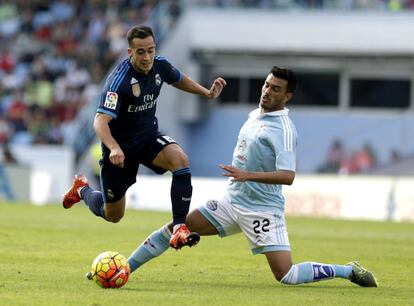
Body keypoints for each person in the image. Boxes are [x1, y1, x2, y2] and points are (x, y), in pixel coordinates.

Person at [123, 66, 378, 287]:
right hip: (231, 202)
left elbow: (288, 176)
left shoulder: (285, 131)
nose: (267, 91)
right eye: (267, 85)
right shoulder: (255, 114)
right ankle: (123, 269)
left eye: (276, 89)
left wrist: (247, 175)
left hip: (262, 210)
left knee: (286, 274)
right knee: (176, 228)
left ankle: (348, 270)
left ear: (287, 96)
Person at [62, 25, 226, 250]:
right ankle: (82, 189)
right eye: (141, 52)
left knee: (180, 160)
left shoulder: (161, 65)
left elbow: (178, 78)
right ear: (130, 52)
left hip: (148, 138)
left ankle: (179, 228)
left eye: (150, 50)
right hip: (120, 151)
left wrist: (206, 92)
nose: (147, 57)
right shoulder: (119, 82)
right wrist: (114, 148)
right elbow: (99, 122)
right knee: (113, 215)